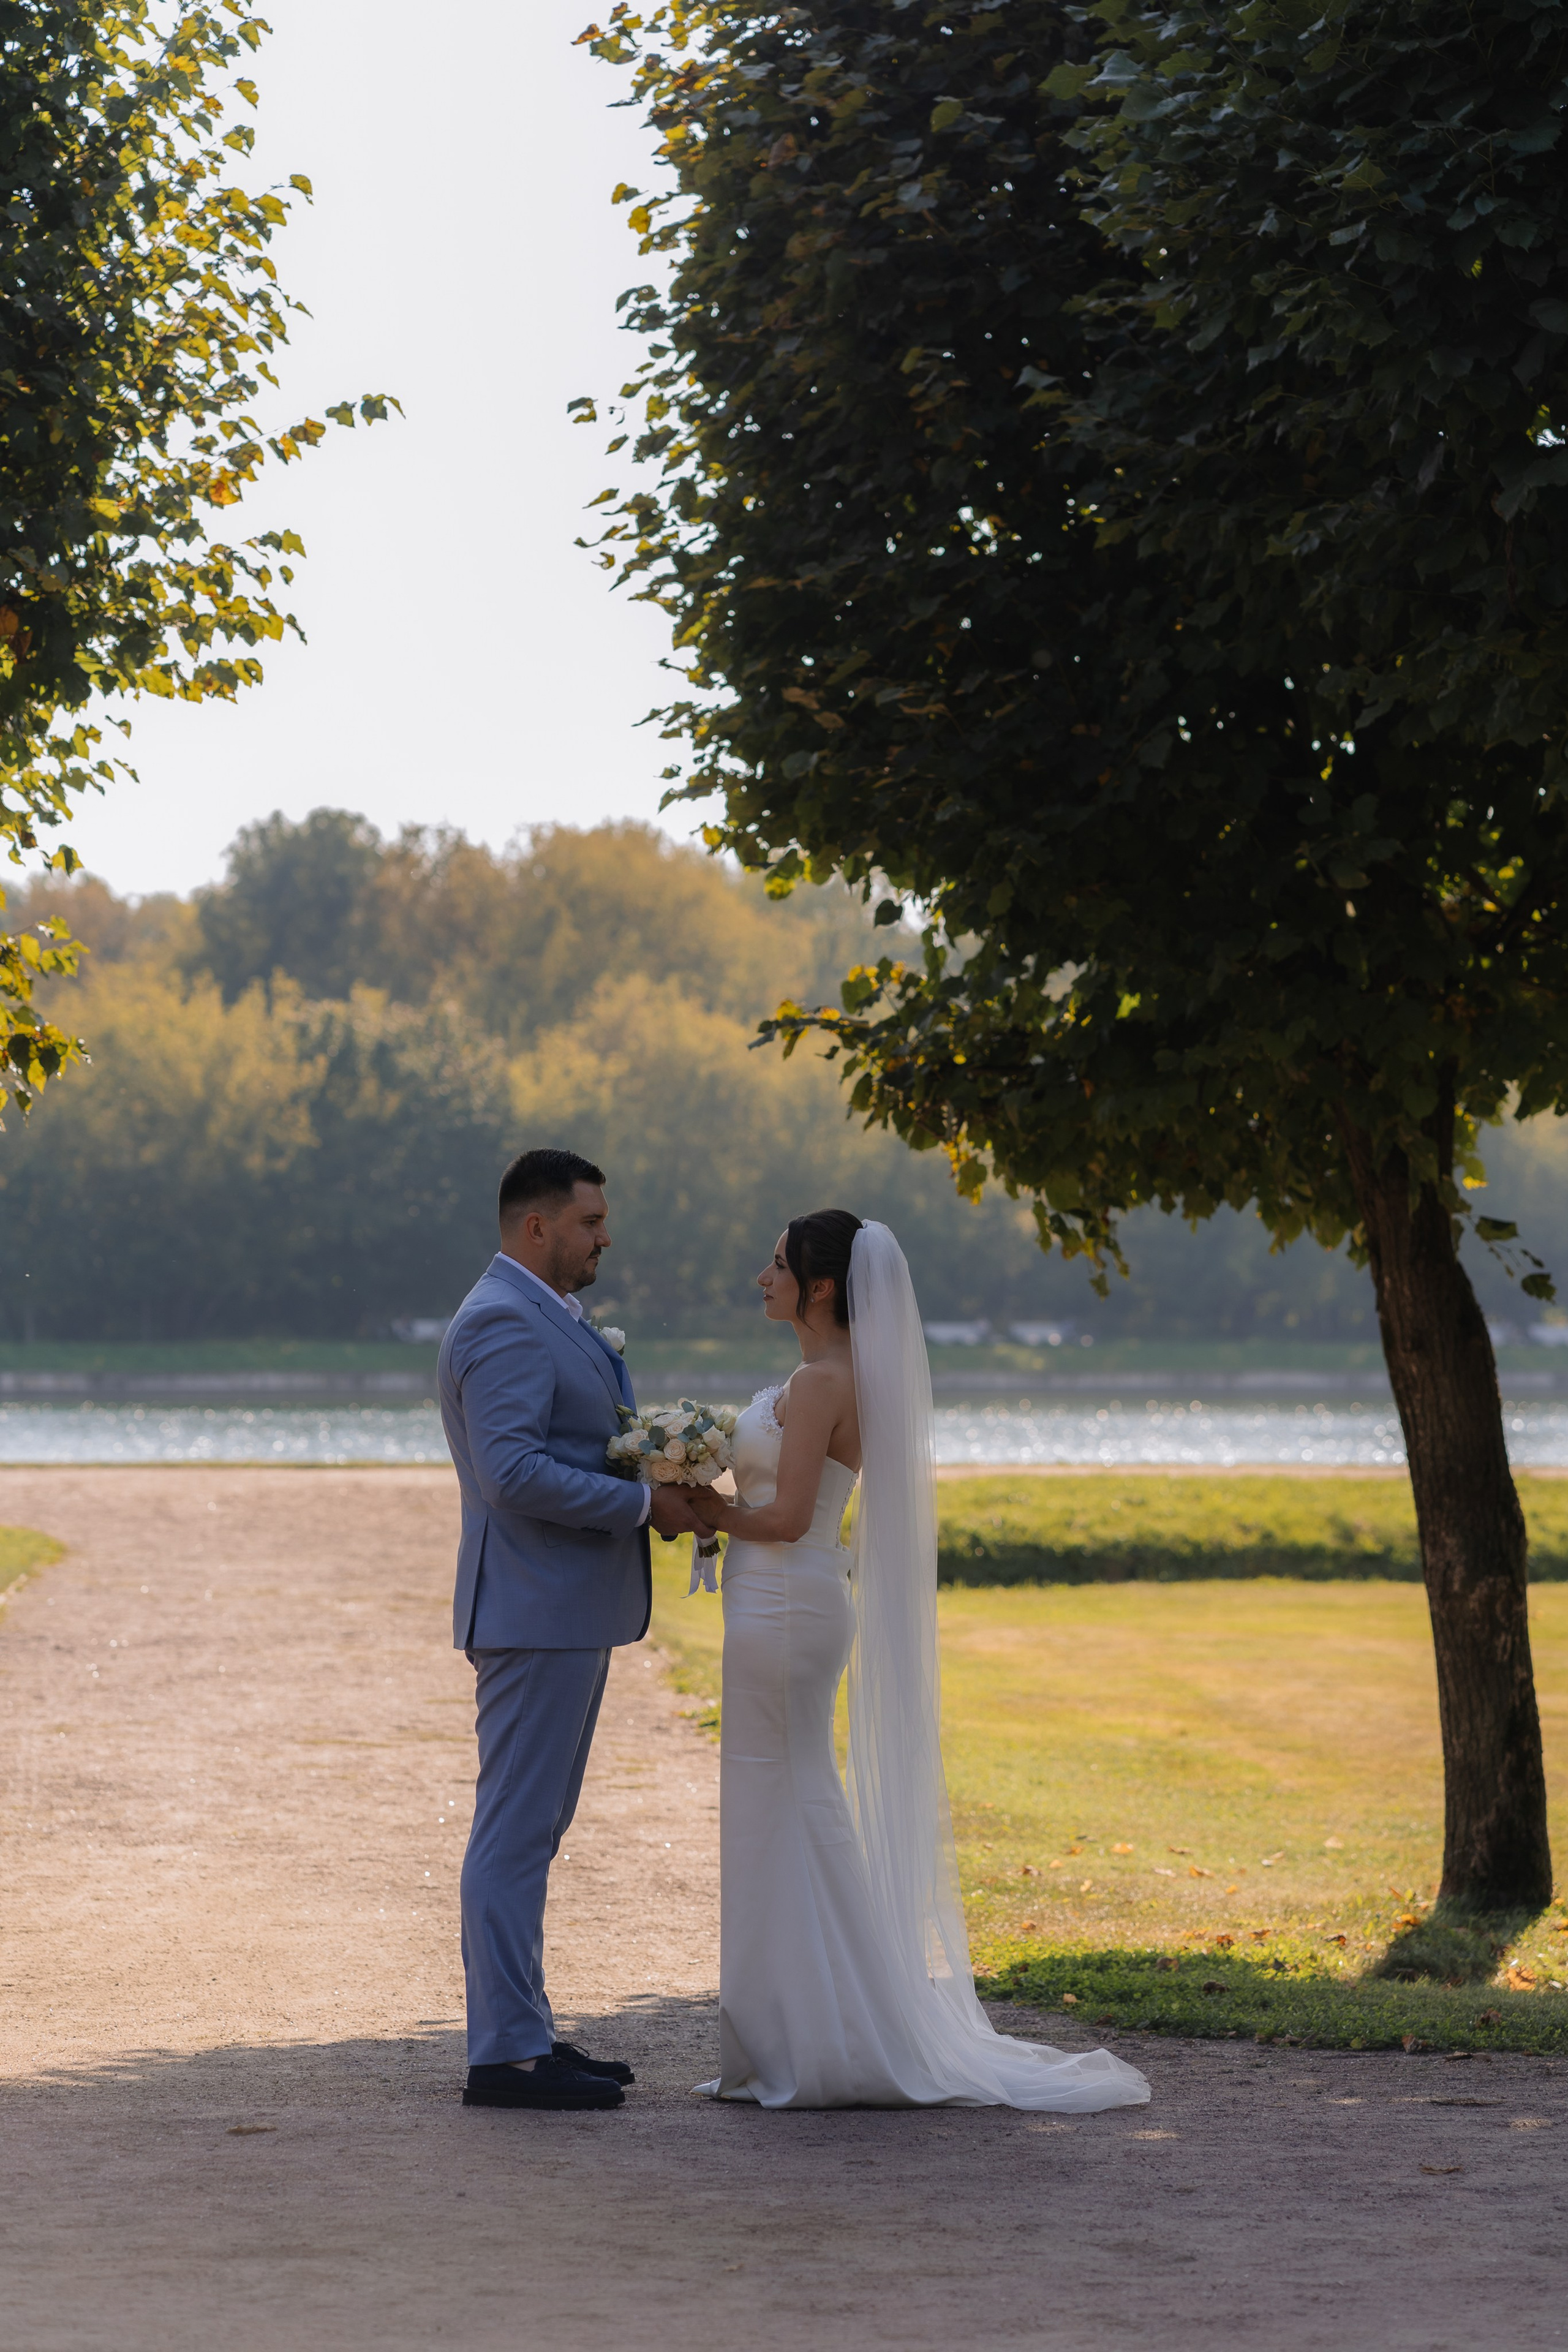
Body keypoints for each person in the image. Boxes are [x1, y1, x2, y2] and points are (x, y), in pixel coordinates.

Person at [685, 1212, 1152, 2112]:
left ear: (820, 1288)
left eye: (776, 1264)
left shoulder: (820, 1379)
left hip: (785, 1601)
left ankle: (826, 2038)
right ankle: (801, 2029)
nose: (761, 1277)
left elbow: (783, 1521)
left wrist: (698, 1512)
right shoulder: (845, 1375)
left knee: (788, 1802)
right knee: (783, 1804)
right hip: (790, 1602)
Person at [439, 1147, 703, 2111]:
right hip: (533, 1607)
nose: (605, 1237)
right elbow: (511, 1475)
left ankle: (527, 2030)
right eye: (589, 1222)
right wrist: (645, 1506)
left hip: (555, 1606)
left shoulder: (539, 1313)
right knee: (514, 1830)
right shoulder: (506, 1320)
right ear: (535, 1227)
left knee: (533, 1828)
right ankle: (507, 2056)